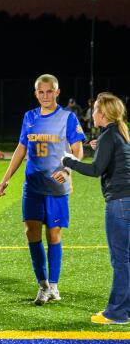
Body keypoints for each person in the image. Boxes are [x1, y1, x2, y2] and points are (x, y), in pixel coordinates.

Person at [0, 73, 85, 304]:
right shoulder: (29, 117)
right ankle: (43, 285)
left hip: (56, 187)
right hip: (33, 186)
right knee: (31, 232)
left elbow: (78, 149)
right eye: (41, 92)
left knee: (53, 234)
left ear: (57, 92)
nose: (45, 96)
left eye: (49, 91)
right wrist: (6, 178)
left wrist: (68, 170)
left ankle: (54, 285)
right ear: (36, 93)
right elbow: (21, 148)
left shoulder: (68, 117)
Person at [62, 92, 130, 324]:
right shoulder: (118, 132)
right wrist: (99, 146)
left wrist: (68, 161)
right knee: (126, 260)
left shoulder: (110, 135)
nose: (92, 114)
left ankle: (117, 313)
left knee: (120, 260)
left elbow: (95, 170)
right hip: (126, 200)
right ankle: (125, 309)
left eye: (96, 109)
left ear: (103, 113)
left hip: (119, 203)